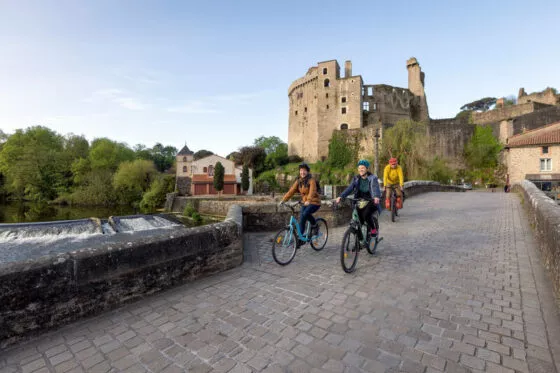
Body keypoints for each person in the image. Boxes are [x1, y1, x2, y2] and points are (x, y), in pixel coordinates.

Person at [336, 159, 381, 238]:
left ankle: (373, 229)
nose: (361, 170)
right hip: (360, 201)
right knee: (359, 220)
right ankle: (360, 240)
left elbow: (375, 188)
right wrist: (341, 196)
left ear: (367, 169)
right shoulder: (356, 178)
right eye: (359, 168)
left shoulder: (373, 178)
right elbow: (350, 188)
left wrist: (376, 197)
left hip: (371, 200)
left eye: (363, 168)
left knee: (366, 214)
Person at [280, 162, 321, 247]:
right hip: (306, 203)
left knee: (305, 214)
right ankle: (301, 238)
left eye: (304, 171)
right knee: (302, 218)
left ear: (307, 172)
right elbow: (291, 191)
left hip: (315, 202)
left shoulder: (311, 180)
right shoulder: (298, 181)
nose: (302, 172)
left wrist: (309, 200)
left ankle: (315, 226)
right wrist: (284, 200)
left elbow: (312, 191)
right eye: (301, 171)